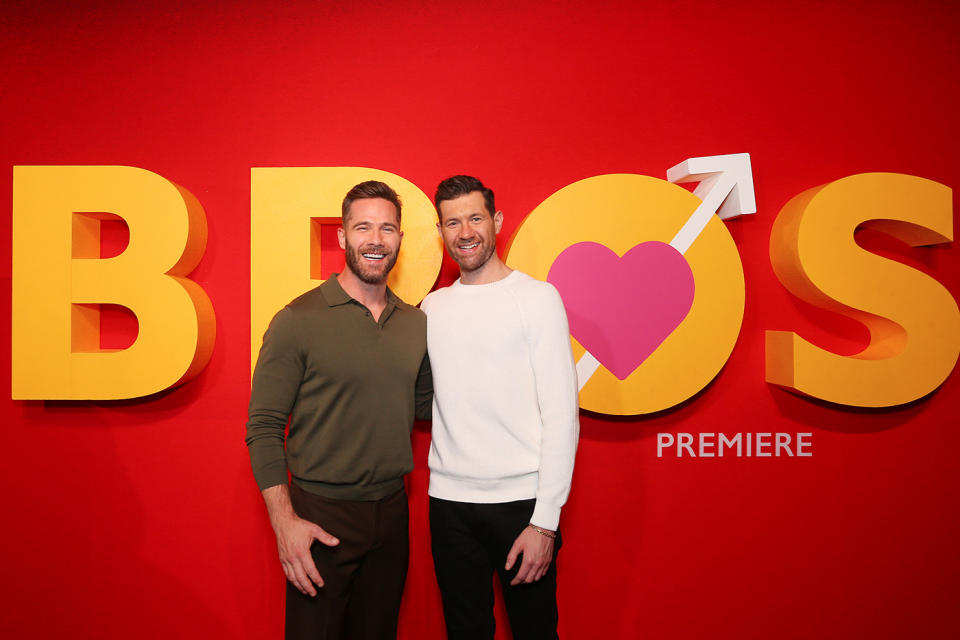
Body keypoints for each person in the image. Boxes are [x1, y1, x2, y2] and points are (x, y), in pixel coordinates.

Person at [245, 180, 432, 640]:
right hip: (319, 515)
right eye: (363, 227)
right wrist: (283, 521)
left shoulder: (416, 323)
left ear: (400, 240)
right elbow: (263, 426)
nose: (376, 239)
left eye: (387, 229)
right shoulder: (298, 320)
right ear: (343, 237)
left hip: (391, 514)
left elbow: (429, 407)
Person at [420, 175, 579, 639]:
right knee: (463, 632)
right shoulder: (432, 307)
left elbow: (562, 417)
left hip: (522, 506)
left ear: (497, 222)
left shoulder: (538, 299)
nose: (465, 232)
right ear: (441, 231)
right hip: (448, 504)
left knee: (534, 630)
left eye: (475, 218)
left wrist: (545, 523)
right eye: (453, 222)